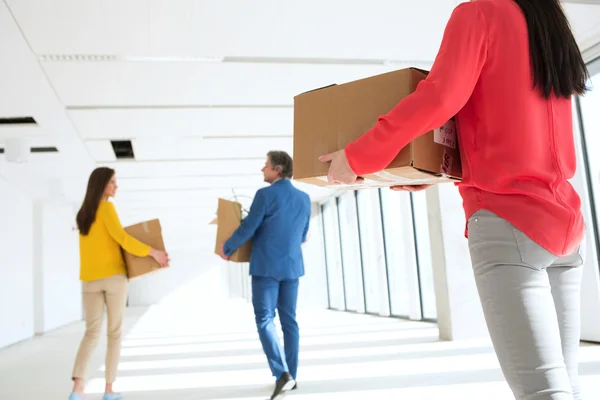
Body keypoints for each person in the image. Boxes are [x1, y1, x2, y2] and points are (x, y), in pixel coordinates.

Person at [321, 0, 589, 399]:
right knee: (564, 386)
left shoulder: (479, 12)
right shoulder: (548, 21)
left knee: (545, 393)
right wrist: (432, 172)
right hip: (564, 223)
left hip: (509, 222)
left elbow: (440, 98)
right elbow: (511, 124)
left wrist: (359, 156)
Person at [69, 167, 170, 400]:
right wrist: (153, 252)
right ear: (101, 184)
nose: (116, 186)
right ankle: (108, 390)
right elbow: (123, 239)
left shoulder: (83, 213)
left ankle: (77, 390)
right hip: (113, 278)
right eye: (112, 182)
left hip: (88, 281)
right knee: (114, 333)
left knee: (91, 333)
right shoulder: (107, 208)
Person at [219, 151, 311, 400]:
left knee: (265, 320)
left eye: (266, 166)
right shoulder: (304, 198)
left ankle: (281, 373)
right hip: (292, 268)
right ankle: (292, 375)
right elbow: (302, 236)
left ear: (277, 169)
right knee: (289, 321)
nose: (263, 169)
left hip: (266, 268)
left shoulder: (265, 195)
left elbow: (249, 227)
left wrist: (226, 247)